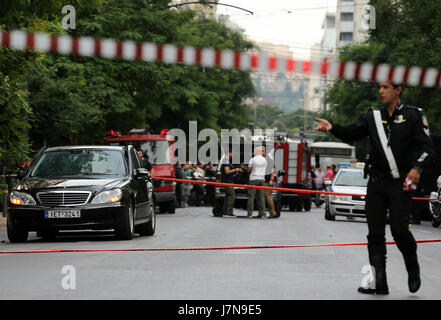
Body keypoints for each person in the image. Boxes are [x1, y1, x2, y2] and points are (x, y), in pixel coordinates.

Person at [314, 80, 434, 295]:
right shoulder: (373, 117)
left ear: (398, 90)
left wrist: (417, 167)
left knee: (399, 230)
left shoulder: (414, 115)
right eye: (380, 87)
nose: (380, 91)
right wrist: (332, 127)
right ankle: (380, 283)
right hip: (377, 183)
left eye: (386, 87)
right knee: (375, 234)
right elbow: (352, 132)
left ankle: (412, 267)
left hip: (401, 183)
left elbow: (426, 147)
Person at [247, 147, 267, 218]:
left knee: (251, 197)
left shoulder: (253, 159)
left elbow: (249, 170)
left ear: (256, 152)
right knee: (261, 197)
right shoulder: (265, 160)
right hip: (262, 179)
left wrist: (247, 168)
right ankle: (262, 214)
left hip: (253, 179)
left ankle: (250, 214)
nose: (253, 152)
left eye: (254, 151)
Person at [220, 152, 242, 216]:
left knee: (227, 196)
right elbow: (227, 171)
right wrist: (236, 169)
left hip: (228, 181)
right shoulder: (226, 161)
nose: (232, 154)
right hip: (228, 181)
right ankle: (229, 211)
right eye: (231, 153)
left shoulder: (227, 161)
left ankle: (224, 210)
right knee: (232, 196)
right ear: (228, 153)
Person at [262, 147, 277, 218]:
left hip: (267, 181)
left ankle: (272, 212)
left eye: (263, 151)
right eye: (260, 151)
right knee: (261, 198)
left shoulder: (268, 159)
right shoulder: (260, 159)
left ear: (265, 152)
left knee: (268, 197)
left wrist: (271, 180)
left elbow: (273, 170)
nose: (262, 152)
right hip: (261, 181)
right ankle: (261, 213)